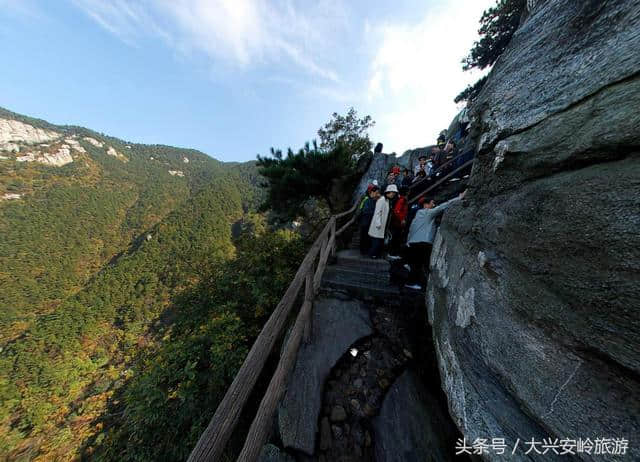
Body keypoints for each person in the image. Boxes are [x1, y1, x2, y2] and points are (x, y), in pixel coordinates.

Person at [404, 190, 466, 290]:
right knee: (421, 264)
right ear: (425, 205)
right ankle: (414, 283)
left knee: (416, 264)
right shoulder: (427, 213)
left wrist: (408, 241)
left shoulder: (417, 215)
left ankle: (414, 282)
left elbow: (411, 229)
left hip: (413, 242)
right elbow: (442, 207)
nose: (434, 205)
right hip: (423, 242)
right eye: (432, 203)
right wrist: (459, 198)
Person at [368, 184, 396, 258]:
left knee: (379, 241)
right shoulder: (381, 200)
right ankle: (372, 255)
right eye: (392, 193)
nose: (393, 195)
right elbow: (377, 212)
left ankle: (376, 255)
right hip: (378, 225)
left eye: (394, 193)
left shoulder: (387, 200)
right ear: (388, 192)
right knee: (376, 241)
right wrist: (378, 224)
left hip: (383, 225)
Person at [388, 186, 409, 259]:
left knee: (396, 238)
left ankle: (393, 253)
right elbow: (397, 211)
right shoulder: (402, 200)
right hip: (397, 223)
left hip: (397, 222)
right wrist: (402, 219)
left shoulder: (401, 199)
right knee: (396, 238)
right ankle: (392, 253)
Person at [359, 185, 378, 255]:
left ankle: (365, 250)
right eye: (376, 192)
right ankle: (363, 251)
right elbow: (365, 211)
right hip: (365, 222)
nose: (377, 194)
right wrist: (375, 213)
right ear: (371, 192)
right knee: (364, 236)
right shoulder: (367, 200)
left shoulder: (372, 200)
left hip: (368, 222)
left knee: (366, 236)